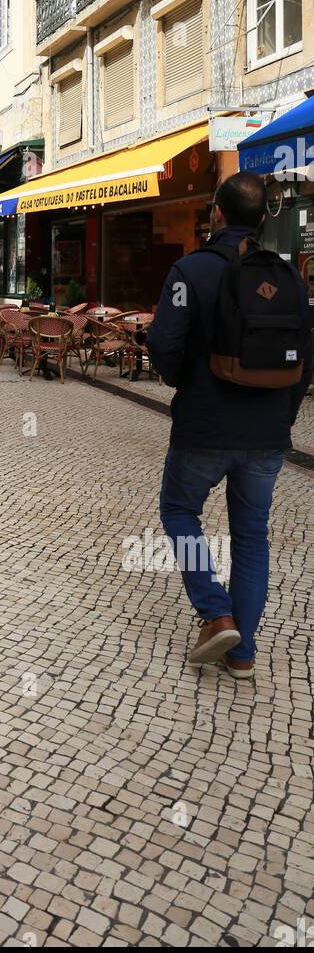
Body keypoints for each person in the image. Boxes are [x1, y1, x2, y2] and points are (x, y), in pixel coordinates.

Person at [147, 172, 313, 680]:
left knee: (178, 509)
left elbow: (163, 345)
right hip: (266, 433)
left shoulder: (190, 270)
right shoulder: (288, 276)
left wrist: (185, 386)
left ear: (215, 214)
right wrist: (281, 418)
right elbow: (305, 361)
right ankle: (242, 655)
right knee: (251, 536)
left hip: (204, 426)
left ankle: (215, 611)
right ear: (263, 220)